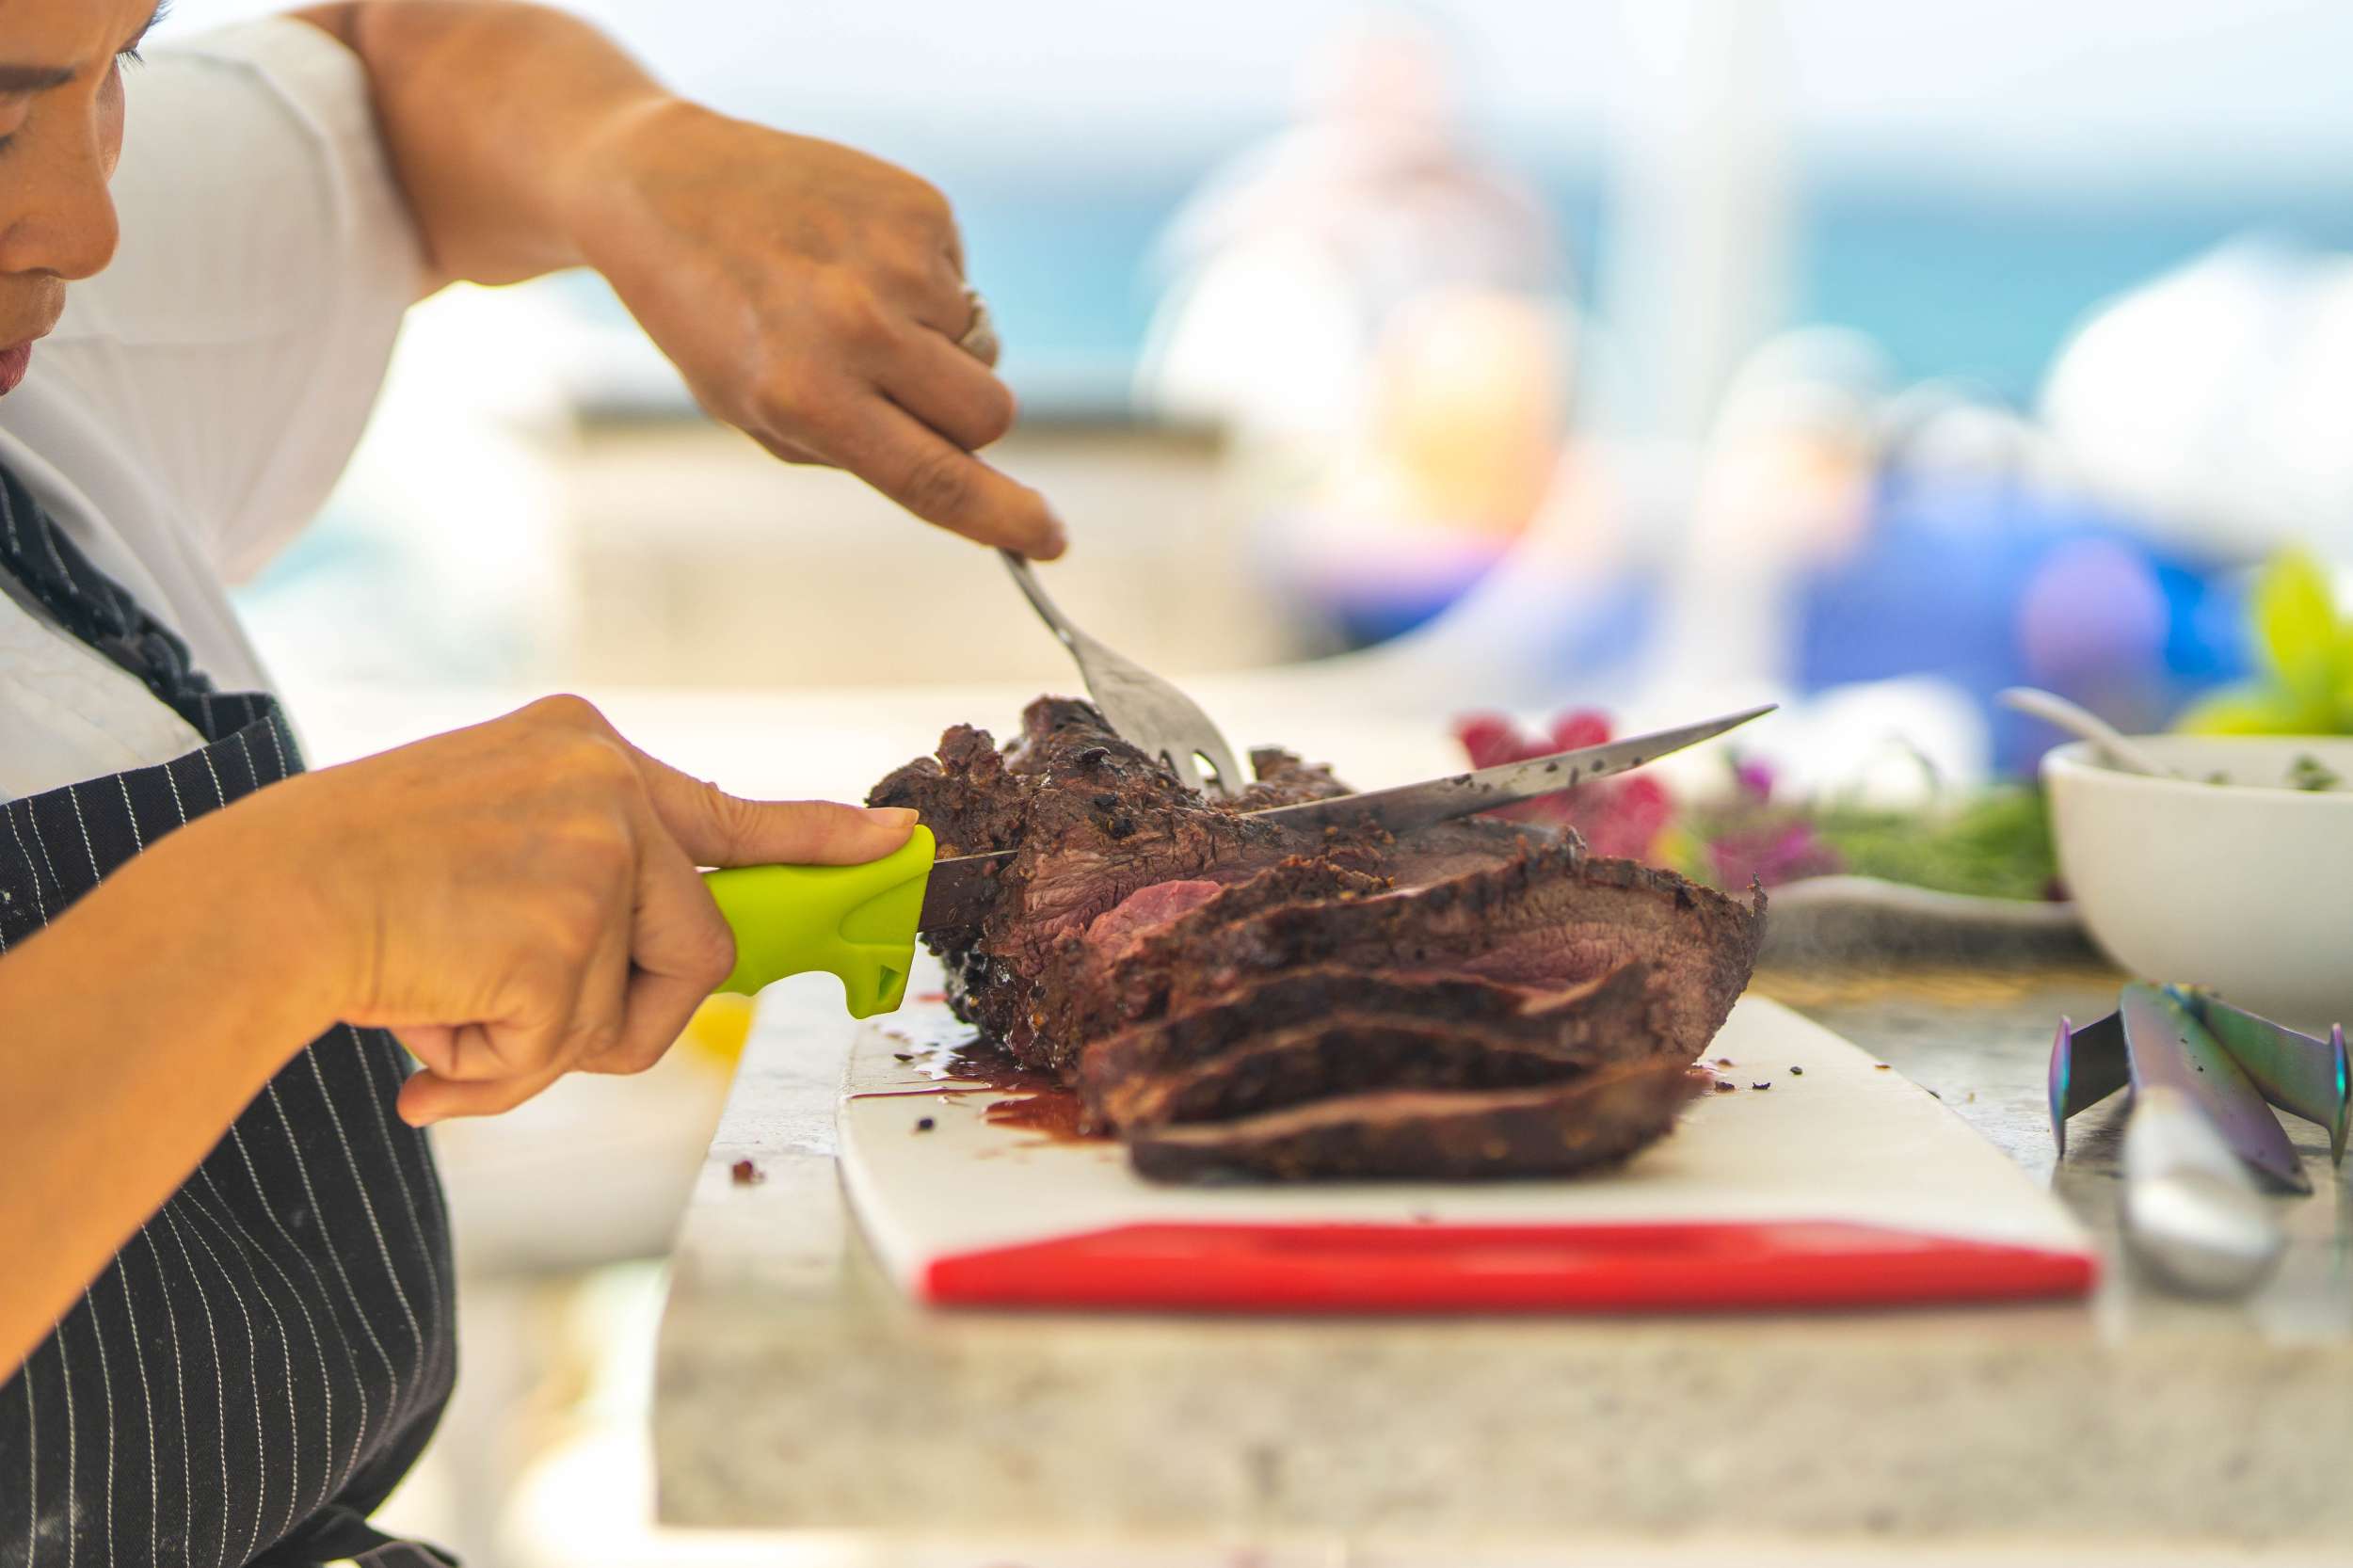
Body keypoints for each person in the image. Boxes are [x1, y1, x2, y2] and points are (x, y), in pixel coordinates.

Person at [0, 3, 1055, 1560]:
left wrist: (637, 160)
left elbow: (391, 66)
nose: (91, 228)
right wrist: (292, 906)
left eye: (119, 72)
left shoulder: (70, 330)